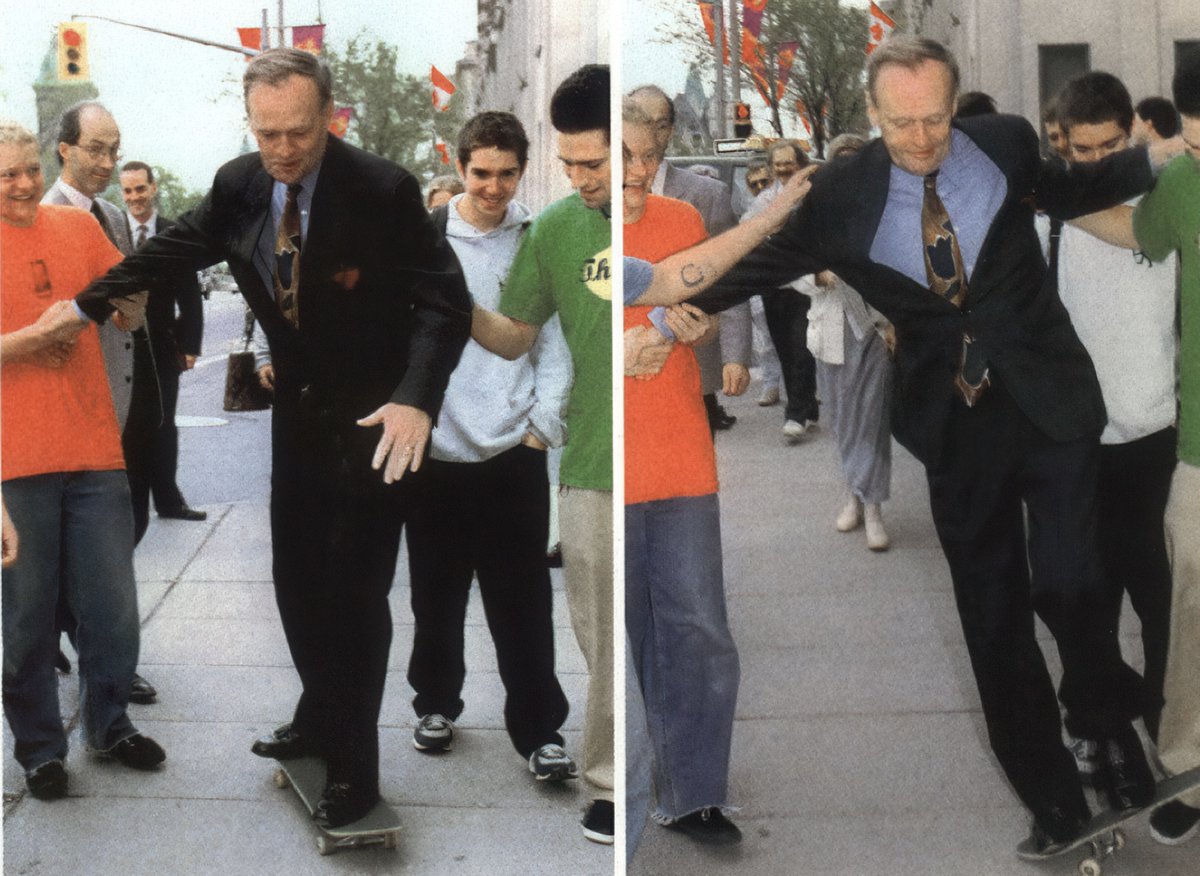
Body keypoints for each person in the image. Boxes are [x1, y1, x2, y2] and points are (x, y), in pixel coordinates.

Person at [646, 35, 1186, 853]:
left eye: (934, 119)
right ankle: (1052, 798)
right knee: (993, 614)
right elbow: (748, 268)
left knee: (1076, 583)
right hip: (956, 421)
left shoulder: (1003, 142)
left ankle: (1102, 723)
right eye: (902, 124)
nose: (922, 138)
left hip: (1050, 400)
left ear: (955, 103)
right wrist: (665, 321)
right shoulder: (840, 196)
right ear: (873, 113)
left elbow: (1079, 187)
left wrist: (1167, 154)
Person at [70, 47, 472, 829]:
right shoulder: (241, 182)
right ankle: (321, 715)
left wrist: (416, 400)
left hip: (373, 424)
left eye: (297, 132)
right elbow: (179, 244)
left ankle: (354, 769)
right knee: (296, 582)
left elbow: (445, 304)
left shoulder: (382, 191)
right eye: (267, 133)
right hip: (296, 423)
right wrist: (89, 301)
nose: (283, 150)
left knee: (355, 599)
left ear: (329, 114)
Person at [403, 111, 579, 783]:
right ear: (459, 165)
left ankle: (540, 732)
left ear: (522, 169)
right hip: (438, 450)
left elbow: (555, 346)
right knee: (435, 593)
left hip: (513, 450)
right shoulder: (425, 240)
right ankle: (435, 704)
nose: (494, 187)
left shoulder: (539, 237)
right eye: (481, 173)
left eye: (507, 173)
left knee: (523, 599)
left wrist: (541, 430)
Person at [469, 64, 615, 845]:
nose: (581, 177)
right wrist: (452, 300)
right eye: (571, 163)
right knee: (599, 641)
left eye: (596, 162)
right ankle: (610, 784)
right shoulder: (556, 230)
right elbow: (515, 335)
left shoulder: (674, 215)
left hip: (671, 461)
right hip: (590, 468)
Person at [1, 121, 166, 801]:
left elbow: (130, 298)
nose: (22, 184)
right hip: (14, 459)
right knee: (27, 615)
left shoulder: (74, 228)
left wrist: (130, 302)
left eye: (28, 169)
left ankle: (109, 722)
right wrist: (29, 340)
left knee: (112, 605)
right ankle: (41, 747)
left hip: (95, 449)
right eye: (5, 175)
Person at [1072, 47, 1200, 847]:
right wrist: (1044, 191)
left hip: (1164, 434)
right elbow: (1130, 229)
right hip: (1196, 447)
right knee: (1187, 612)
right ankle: (1187, 762)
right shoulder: (1183, 185)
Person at [622, 98, 742, 847]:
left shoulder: (682, 220)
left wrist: (704, 327)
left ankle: (696, 791)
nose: (637, 172)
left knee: (701, 631)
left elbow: (711, 306)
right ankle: (644, 783)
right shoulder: (572, 232)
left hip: (682, 456)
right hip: (612, 468)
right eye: (620, 158)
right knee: (634, 634)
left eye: (645, 154)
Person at [1054, 73, 1178, 797]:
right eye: (1083, 152)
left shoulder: (1162, 203)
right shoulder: (1044, 217)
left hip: (1154, 436)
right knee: (1082, 602)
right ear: (1063, 143)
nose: (1098, 164)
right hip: (1074, 448)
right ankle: (1096, 731)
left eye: (1111, 147)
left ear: (1130, 133)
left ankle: (1170, 731)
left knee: (1160, 602)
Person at [43, 101, 159, 705]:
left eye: (115, 150)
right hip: (73, 407)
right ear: (65, 150)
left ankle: (87, 637)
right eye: (96, 150)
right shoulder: (42, 217)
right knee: (93, 543)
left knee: (129, 522)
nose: (108, 163)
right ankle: (104, 659)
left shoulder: (114, 215)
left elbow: (132, 308)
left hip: (125, 395)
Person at [628, 84, 751, 433]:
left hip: (691, 361)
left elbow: (729, 279)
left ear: (670, 130)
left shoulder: (707, 195)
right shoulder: (604, 195)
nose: (650, 131)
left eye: (660, 123)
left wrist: (735, 356)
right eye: (638, 120)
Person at [799, 132, 895, 551]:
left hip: (874, 332)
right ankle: (852, 498)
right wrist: (818, 277)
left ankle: (874, 508)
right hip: (831, 333)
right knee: (842, 422)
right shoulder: (814, 212)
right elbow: (787, 267)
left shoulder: (888, 212)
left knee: (871, 422)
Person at [119, 160, 207, 526]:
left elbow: (190, 295)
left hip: (163, 346)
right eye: (128, 191)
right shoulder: (113, 231)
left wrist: (190, 346)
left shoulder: (174, 233)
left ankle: (169, 501)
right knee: (129, 424)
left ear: (153, 188)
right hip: (121, 345)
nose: (135, 197)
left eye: (141, 189)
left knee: (163, 423)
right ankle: (131, 503)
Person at [751, 139, 821, 442]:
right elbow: (750, 231)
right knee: (784, 349)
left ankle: (795, 413)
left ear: (801, 164)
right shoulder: (764, 200)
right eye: (777, 163)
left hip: (805, 284)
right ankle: (809, 409)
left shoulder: (813, 195)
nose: (782, 168)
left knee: (801, 348)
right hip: (775, 285)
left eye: (787, 162)